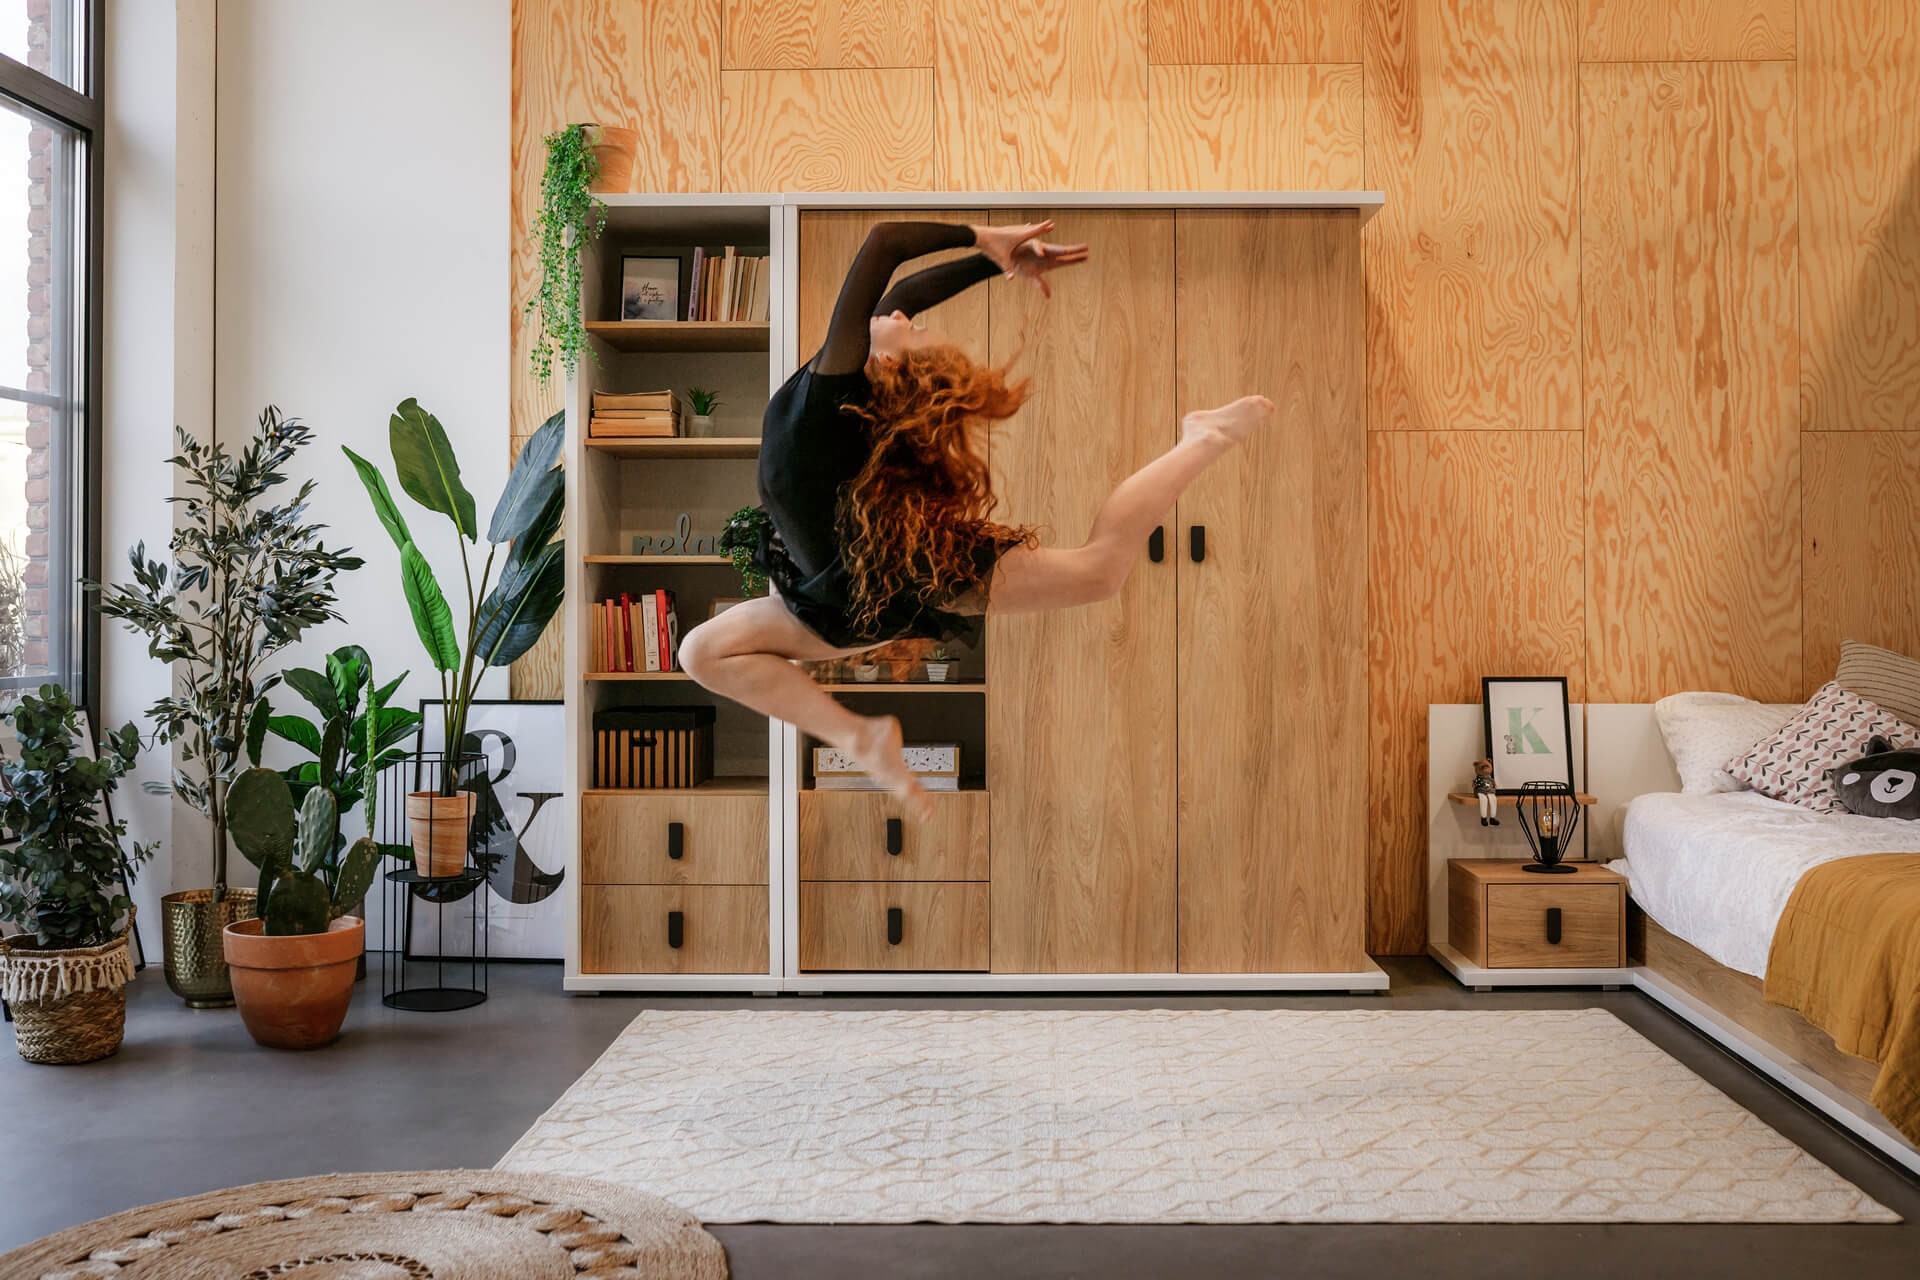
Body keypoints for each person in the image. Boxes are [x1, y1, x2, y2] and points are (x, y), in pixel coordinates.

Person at [681, 220, 1272, 817]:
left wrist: (980, 236)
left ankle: (1202, 439)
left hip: (865, 586)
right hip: (843, 591)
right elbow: (903, 286)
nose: (904, 315)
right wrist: (998, 259)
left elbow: (885, 244)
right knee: (701, 652)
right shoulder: (846, 381)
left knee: (1100, 571)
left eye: (913, 328)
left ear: (883, 359)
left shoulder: (833, 388)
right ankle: (858, 736)